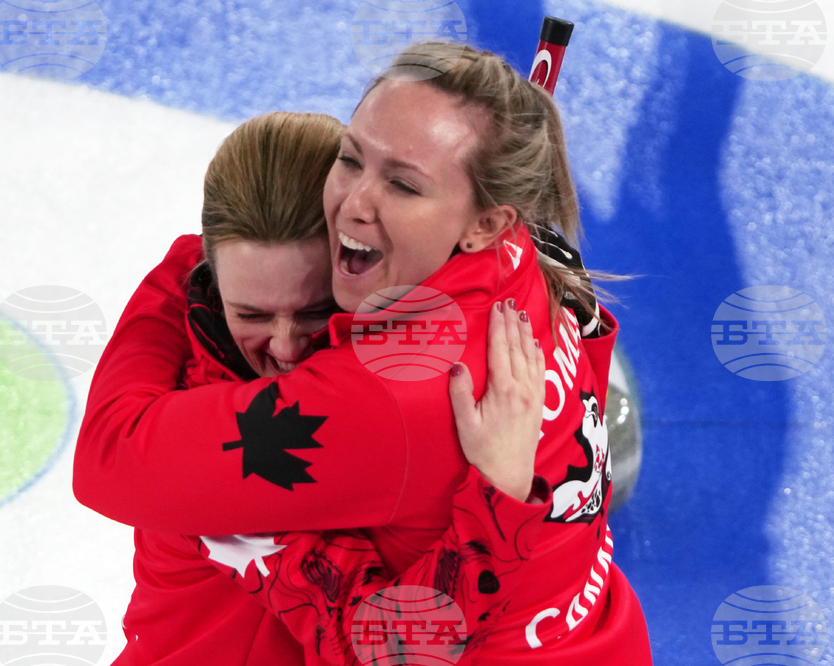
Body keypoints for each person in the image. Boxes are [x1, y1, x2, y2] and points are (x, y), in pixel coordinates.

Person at [75, 42, 652, 663]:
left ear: (486, 219)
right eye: (352, 158)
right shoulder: (519, 260)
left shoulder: (388, 388)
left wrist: (188, 264)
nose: (354, 203)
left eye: (403, 184)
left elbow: (109, 458)